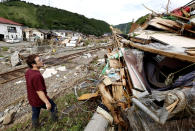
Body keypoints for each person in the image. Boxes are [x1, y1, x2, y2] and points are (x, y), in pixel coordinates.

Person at [25, 54, 58, 128]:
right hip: (39, 99)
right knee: (53, 107)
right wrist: (47, 102)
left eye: (41, 59)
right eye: (39, 60)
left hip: (32, 99)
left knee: (35, 113)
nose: (42, 61)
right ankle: (56, 123)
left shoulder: (28, 72)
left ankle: (36, 127)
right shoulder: (37, 76)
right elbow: (39, 91)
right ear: (33, 64)